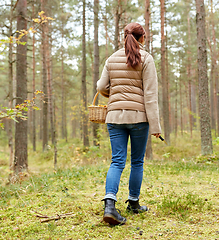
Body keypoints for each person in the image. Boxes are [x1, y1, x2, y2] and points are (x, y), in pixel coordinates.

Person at [96, 22, 161, 226]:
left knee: (117, 161)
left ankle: (109, 206)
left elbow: (100, 87)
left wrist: (113, 94)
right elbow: (150, 95)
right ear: (142, 38)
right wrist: (156, 126)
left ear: (125, 37)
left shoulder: (112, 58)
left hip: (114, 117)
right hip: (139, 118)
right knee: (137, 162)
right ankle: (133, 203)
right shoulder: (146, 59)